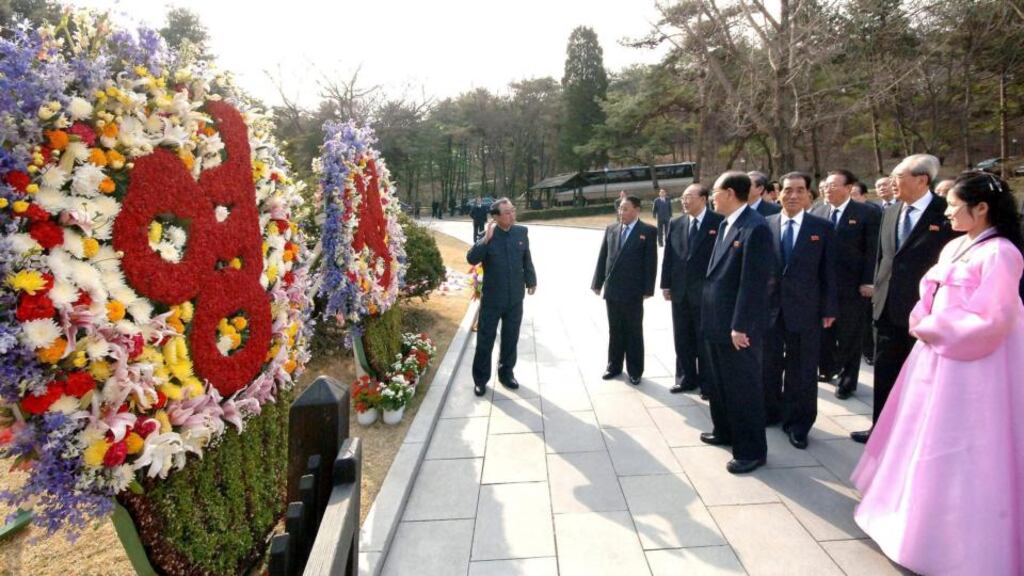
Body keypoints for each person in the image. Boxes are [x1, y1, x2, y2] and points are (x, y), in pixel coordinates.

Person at [851, 172, 1024, 575]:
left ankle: (962, 541)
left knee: (964, 445)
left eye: (953, 205)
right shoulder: (957, 246)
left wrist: (933, 328)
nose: (946, 212)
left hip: (976, 368)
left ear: (981, 209)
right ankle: (913, 521)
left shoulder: (1000, 253)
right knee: (924, 438)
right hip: (937, 356)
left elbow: (992, 320)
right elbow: (929, 295)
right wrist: (922, 320)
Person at [851, 154, 957, 443]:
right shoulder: (891, 210)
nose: (891, 182)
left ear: (922, 179)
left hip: (925, 312)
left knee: (923, 379)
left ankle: (917, 437)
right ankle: (880, 430)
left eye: (898, 176)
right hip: (886, 308)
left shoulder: (946, 212)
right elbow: (884, 257)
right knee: (885, 373)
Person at [699, 172, 773, 474]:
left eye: (715, 192)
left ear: (729, 193)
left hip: (737, 327)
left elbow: (754, 284)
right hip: (716, 321)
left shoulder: (755, 229)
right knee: (719, 383)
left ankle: (751, 450)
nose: (712, 197)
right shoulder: (725, 223)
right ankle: (725, 431)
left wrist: (740, 326)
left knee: (743, 388)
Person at [764, 172, 837, 449]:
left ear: (809, 195)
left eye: (799, 190)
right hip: (770, 310)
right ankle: (771, 411)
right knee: (768, 365)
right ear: (778, 193)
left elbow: (829, 271)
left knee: (803, 370)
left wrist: (829, 307)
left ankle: (798, 423)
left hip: (806, 310)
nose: (793, 195)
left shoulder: (822, 227)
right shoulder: (765, 224)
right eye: (787, 190)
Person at [811, 170, 880, 399]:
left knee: (850, 334)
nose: (827, 190)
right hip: (822, 286)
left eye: (833, 185)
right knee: (825, 332)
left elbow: (873, 251)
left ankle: (848, 381)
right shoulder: (818, 211)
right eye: (826, 186)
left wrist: (868, 281)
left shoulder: (866, 213)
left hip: (851, 286)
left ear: (849, 188)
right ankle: (828, 368)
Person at [466, 198, 537, 397]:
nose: (512, 215)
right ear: (495, 217)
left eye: (513, 211)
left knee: (510, 337)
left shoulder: (521, 232)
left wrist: (531, 280)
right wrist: (485, 240)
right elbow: (472, 258)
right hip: (492, 299)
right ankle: (480, 379)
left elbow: (527, 259)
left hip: (515, 297)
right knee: (485, 339)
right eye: (507, 213)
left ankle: (506, 373)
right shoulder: (487, 234)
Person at [660, 184, 724, 396]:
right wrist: (665, 284)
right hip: (680, 291)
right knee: (682, 337)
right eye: (682, 197)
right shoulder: (676, 222)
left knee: (704, 339)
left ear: (704, 199)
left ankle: (708, 383)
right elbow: (669, 256)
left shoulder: (718, 221)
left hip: (706, 294)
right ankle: (685, 378)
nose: (684, 201)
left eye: (689, 197)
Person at [592, 195, 658, 386]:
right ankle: (613, 366)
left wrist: (648, 289)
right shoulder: (611, 229)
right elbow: (603, 256)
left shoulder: (647, 231)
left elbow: (650, 263)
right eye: (620, 208)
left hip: (633, 291)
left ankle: (635, 370)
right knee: (615, 330)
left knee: (634, 331)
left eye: (626, 208)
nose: (621, 212)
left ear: (637, 209)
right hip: (613, 289)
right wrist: (598, 282)